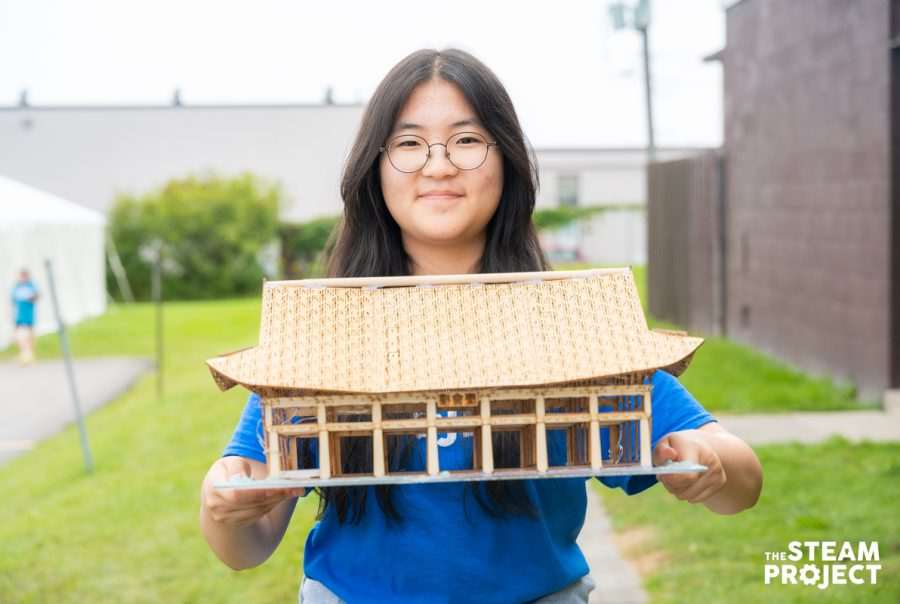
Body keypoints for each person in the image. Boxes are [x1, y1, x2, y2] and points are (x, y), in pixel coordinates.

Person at [200, 48, 763, 604]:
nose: (438, 164)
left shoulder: (565, 324)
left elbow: (740, 479)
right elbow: (244, 547)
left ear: (507, 160)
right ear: (375, 169)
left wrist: (710, 462)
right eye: (408, 143)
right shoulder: (325, 335)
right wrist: (223, 503)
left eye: (467, 140)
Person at [10, 268, 39, 365]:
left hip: (28, 315)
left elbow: (36, 296)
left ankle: (29, 354)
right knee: (19, 335)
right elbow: (13, 300)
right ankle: (25, 354)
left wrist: (32, 297)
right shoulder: (17, 287)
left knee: (29, 334)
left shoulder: (31, 286)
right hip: (19, 315)